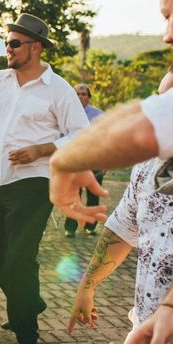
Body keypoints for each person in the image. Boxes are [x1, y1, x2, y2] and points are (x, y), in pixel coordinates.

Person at [47, 0, 173, 344]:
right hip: (153, 330)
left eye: (168, 14)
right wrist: (172, 310)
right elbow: (123, 227)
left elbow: (141, 127)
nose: (164, 34)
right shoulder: (152, 170)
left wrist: (63, 162)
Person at [0, 13, 89, 344]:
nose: (8, 49)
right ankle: (28, 302)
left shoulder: (58, 89)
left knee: (19, 258)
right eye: (7, 42)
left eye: (14, 43)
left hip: (35, 181)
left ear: (36, 47)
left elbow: (81, 133)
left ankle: (27, 334)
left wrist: (42, 149)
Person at [67, 66, 173, 344]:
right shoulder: (146, 167)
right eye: (161, 101)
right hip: (145, 338)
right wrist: (87, 286)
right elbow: (122, 229)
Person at [64, 83, 104, 237]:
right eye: (77, 94)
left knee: (93, 196)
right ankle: (70, 228)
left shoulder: (98, 115)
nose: (80, 97)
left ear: (89, 97)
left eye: (83, 94)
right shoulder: (65, 114)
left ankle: (90, 227)